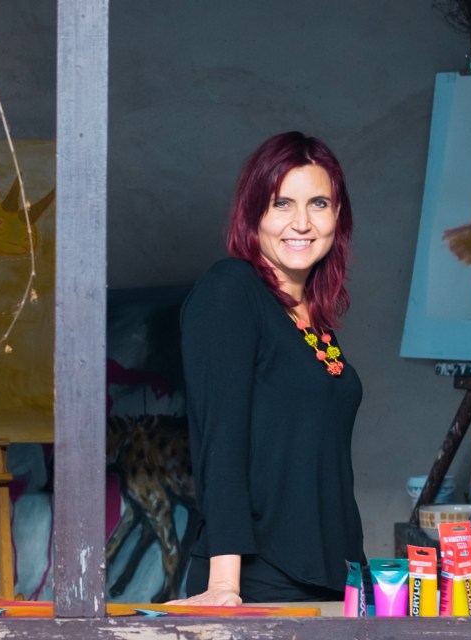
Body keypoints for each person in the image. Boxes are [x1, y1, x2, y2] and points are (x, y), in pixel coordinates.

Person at [167, 131, 365, 606]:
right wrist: (224, 586)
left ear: (338, 217)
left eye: (318, 203)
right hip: (259, 579)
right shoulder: (231, 291)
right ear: (254, 213)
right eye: (282, 204)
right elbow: (223, 442)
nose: (301, 222)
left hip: (335, 580)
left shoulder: (312, 322)